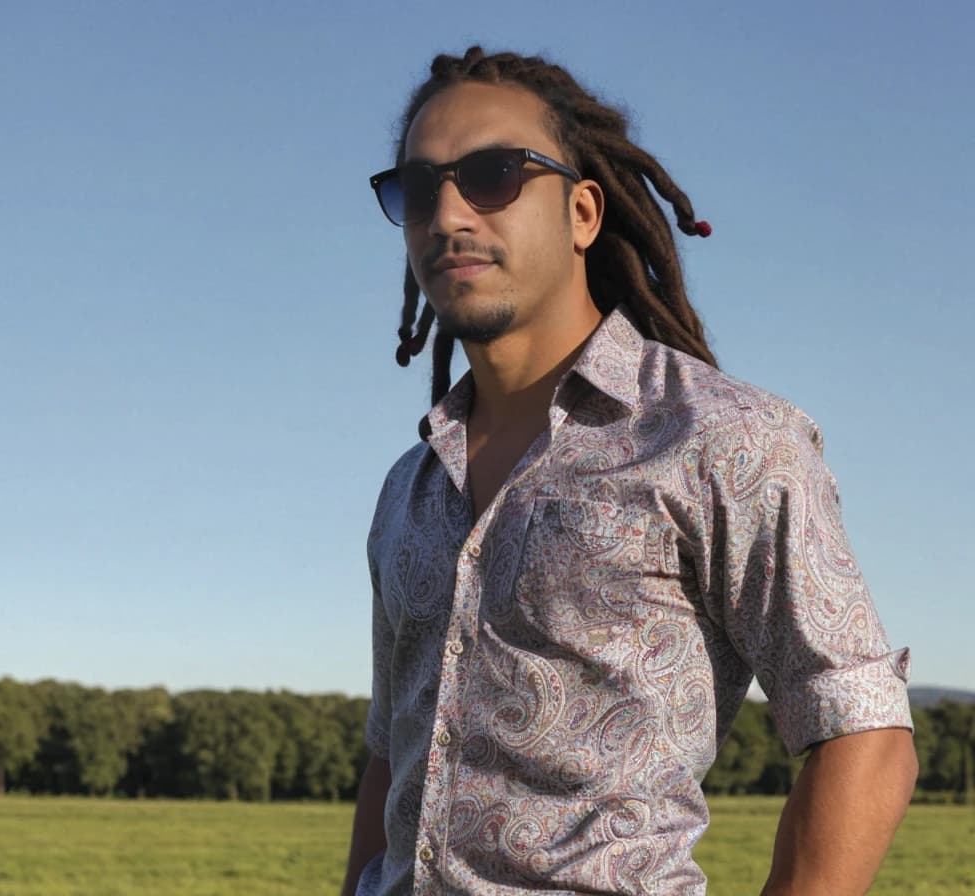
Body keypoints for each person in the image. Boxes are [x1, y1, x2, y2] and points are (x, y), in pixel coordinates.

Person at [340, 47, 916, 896]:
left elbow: (864, 734)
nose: (449, 214)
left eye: (493, 174)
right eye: (420, 189)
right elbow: (389, 756)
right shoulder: (410, 486)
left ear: (581, 212)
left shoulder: (724, 438)